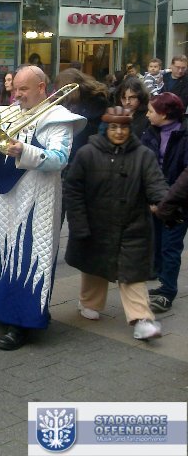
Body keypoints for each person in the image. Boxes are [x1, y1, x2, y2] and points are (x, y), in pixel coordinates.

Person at [0, 66, 85, 350]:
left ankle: (21, 322)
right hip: (3, 197)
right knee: (0, 250)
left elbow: (60, 158)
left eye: (23, 89)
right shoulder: (9, 112)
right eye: (15, 89)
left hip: (36, 197)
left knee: (28, 255)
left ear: (41, 87)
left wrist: (24, 150)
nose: (17, 95)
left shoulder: (58, 117)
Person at [64, 107, 167, 341]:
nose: (119, 132)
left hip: (133, 225)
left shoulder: (143, 155)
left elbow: (156, 184)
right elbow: (73, 189)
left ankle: (142, 320)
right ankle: (89, 303)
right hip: (96, 223)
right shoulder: (87, 153)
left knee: (132, 273)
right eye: (113, 127)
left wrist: (166, 203)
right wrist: (78, 222)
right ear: (105, 128)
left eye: (123, 127)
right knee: (95, 266)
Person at [141, 92, 188, 314]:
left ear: (164, 113)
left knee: (171, 247)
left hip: (178, 202)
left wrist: (165, 203)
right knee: (157, 243)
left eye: (151, 111)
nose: (147, 114)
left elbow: (185, 177)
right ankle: (162, 282)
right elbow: (144, 165)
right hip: (155, 198)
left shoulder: (184, 135)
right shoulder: (150, 132)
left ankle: (168, 292)